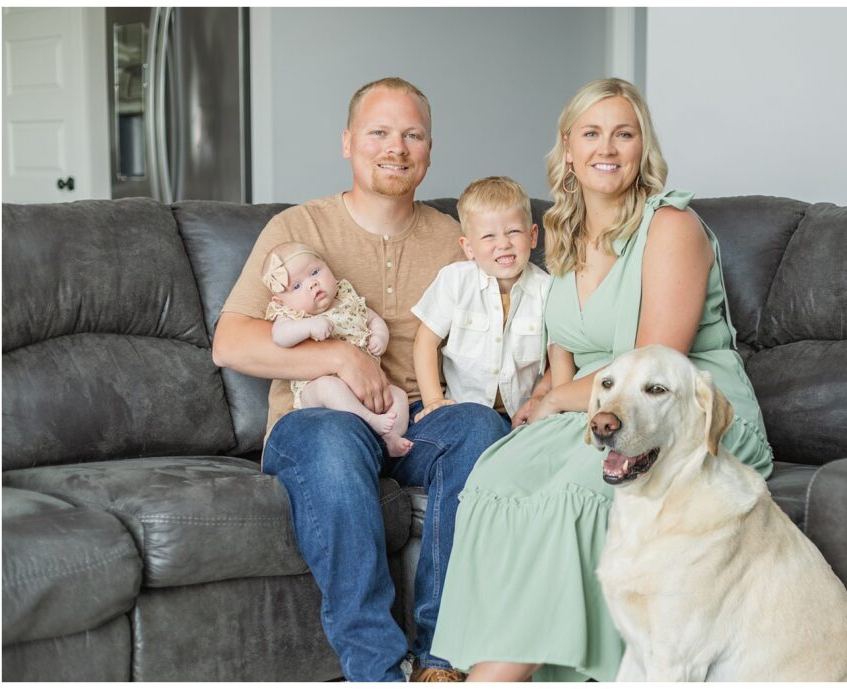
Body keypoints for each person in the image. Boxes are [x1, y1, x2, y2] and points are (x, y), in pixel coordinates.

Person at [429, 78, 774, 682]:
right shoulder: (560, 237)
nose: (606, 147)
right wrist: (552, 400)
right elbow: (563, 349)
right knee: (497, 473)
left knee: (580, 489)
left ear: (643, 148)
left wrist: (556, 399)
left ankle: (500, 677)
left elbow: (655, 366)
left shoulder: (671, 226)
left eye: (624, 133)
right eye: (591, 133)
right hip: (599, 408)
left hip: (681, 413)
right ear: (568, 149)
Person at [213, 77, 511, 682]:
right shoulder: (297, 228)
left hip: (416, 420)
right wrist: (339, 358)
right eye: (379, 132)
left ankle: (442, 662)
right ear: (348, 142)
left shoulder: (456, 239)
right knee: (328, 441)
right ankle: (376, 671)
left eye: (412, 134)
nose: (395, 147)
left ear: (429, 149)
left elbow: (510, 320)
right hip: (315, 421)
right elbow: (229, 342)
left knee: (481, 427)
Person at [411, 176, 551, 425]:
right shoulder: (455, 280)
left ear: (532, 235)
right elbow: (425, 341)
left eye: (513, 232)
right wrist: (433, 401)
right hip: (463, 414)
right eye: (489, 236)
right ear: (469, 247)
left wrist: (540, 400)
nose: (504, 244)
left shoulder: (547, 290)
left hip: (521, 417)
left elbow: (559, 359)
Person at [261, 241, 412, 457]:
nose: (312, 284)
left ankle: (392, 437)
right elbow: (280, 337)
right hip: (317, 392)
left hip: (370, 388)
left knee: (398, 395)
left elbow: (373, 319)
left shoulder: (347, 299)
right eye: (296, 286)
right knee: (328, 386)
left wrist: (380, 336)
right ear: (281, 302)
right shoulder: (292, 315)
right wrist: (307, 327)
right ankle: (370, 421)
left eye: (315, 272)